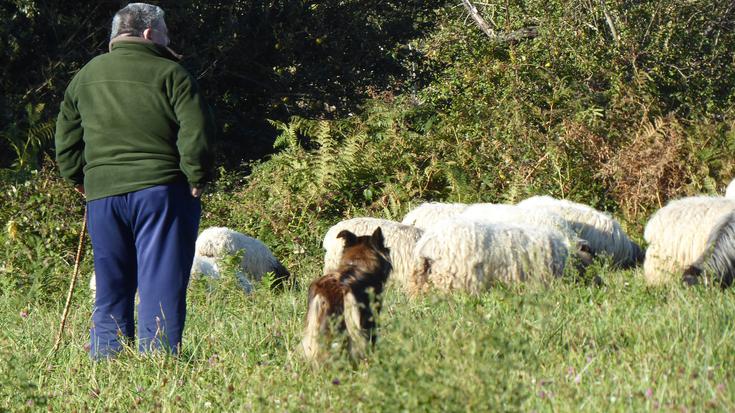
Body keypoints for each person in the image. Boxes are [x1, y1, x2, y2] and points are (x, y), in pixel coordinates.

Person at [54, 3, 216, 359]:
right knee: (160, 284)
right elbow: (196, 130)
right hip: (162, 192)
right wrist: (197, 175)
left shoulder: (85, 75)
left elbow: (65, 137)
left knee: (111, 286)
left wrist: (80, 178)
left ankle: (108, 365)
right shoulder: (172, 73)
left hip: (103, 197)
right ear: (148, 33)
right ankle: (157, 369)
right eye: (166, 32)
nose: (170, 40)